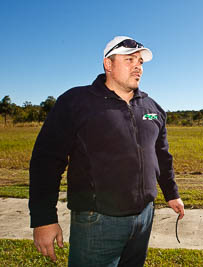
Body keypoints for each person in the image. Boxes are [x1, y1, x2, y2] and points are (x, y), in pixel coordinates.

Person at [29, 36, 184, 267]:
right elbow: (46, 161)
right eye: (129, 59)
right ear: (108, 64)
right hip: (98, 222)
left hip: (144, 218)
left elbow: (161, 155)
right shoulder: (76, 102)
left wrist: (171, 193)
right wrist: (44, 219)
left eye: (140, 61)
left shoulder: (152, 108)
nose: (138, 66)